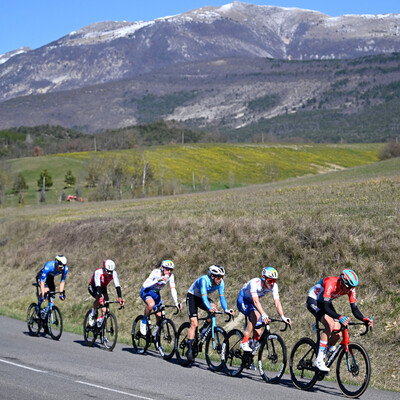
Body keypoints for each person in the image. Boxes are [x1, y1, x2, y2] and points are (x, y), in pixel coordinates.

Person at [307, 269, 374, 372]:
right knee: (329, 324)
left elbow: (354, 309)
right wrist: (339, 317)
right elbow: (326, 307)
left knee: (338, 332)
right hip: (314, 300)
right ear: (342, 282)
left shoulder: (350, 288)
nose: (350, 290)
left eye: (352, 288)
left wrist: (364, 319)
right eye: (349, 287)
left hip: (326, 302)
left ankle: (326, 352)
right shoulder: (331, 283)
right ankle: (319, 360)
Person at [185, 264, 235, 361]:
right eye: (219, 277)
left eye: (222, 277)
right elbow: (204, 297)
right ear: (212, 276)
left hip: (202, 298)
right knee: (194, 323)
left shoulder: (221, 283)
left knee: (214, 309)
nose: (220, 279)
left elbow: (222, 296)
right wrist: (209, 307)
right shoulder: (204, 280)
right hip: (192, 297)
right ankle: (190, 348)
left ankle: (203, 329)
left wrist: (226, 309)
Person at [237, 266, 291, 353]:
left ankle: (250, 354)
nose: (272, 283)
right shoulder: (255, 282)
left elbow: (277, 302)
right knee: (257, 316)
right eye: (270, 281)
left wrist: (283, 316)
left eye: (274, 281)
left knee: (258, 330)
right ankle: (244, 341)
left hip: (252, 303)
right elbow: (255, 301)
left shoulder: (274, 286)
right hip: (243, 299)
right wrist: (263, 314)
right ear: (264, 278)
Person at [139, 259, 182, 335]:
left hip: (156, 294)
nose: (169, 272)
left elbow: (173, 289)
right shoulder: (156, 272)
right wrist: (158, 279)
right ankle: (144, 321)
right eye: (167, 269)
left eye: (171, 270)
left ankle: (155, 334)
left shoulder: (171, 276)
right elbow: (145, 285)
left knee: (159, 316)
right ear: (162, 268)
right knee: (151, 304)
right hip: (147, 291)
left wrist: (176, 302)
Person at [87, 259, 125, 327]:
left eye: (111, 271)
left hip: (103, 288)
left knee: (105, 310)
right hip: (93, 287)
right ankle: (92, 314)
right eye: (108, 271)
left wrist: (120, 298)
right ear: (104, 269)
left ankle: (102, 330)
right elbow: (97, 285)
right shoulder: (98, 272)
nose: (109, 273)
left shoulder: (114, 273)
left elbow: (117, 286)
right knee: (99, 298)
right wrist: (100, 298)